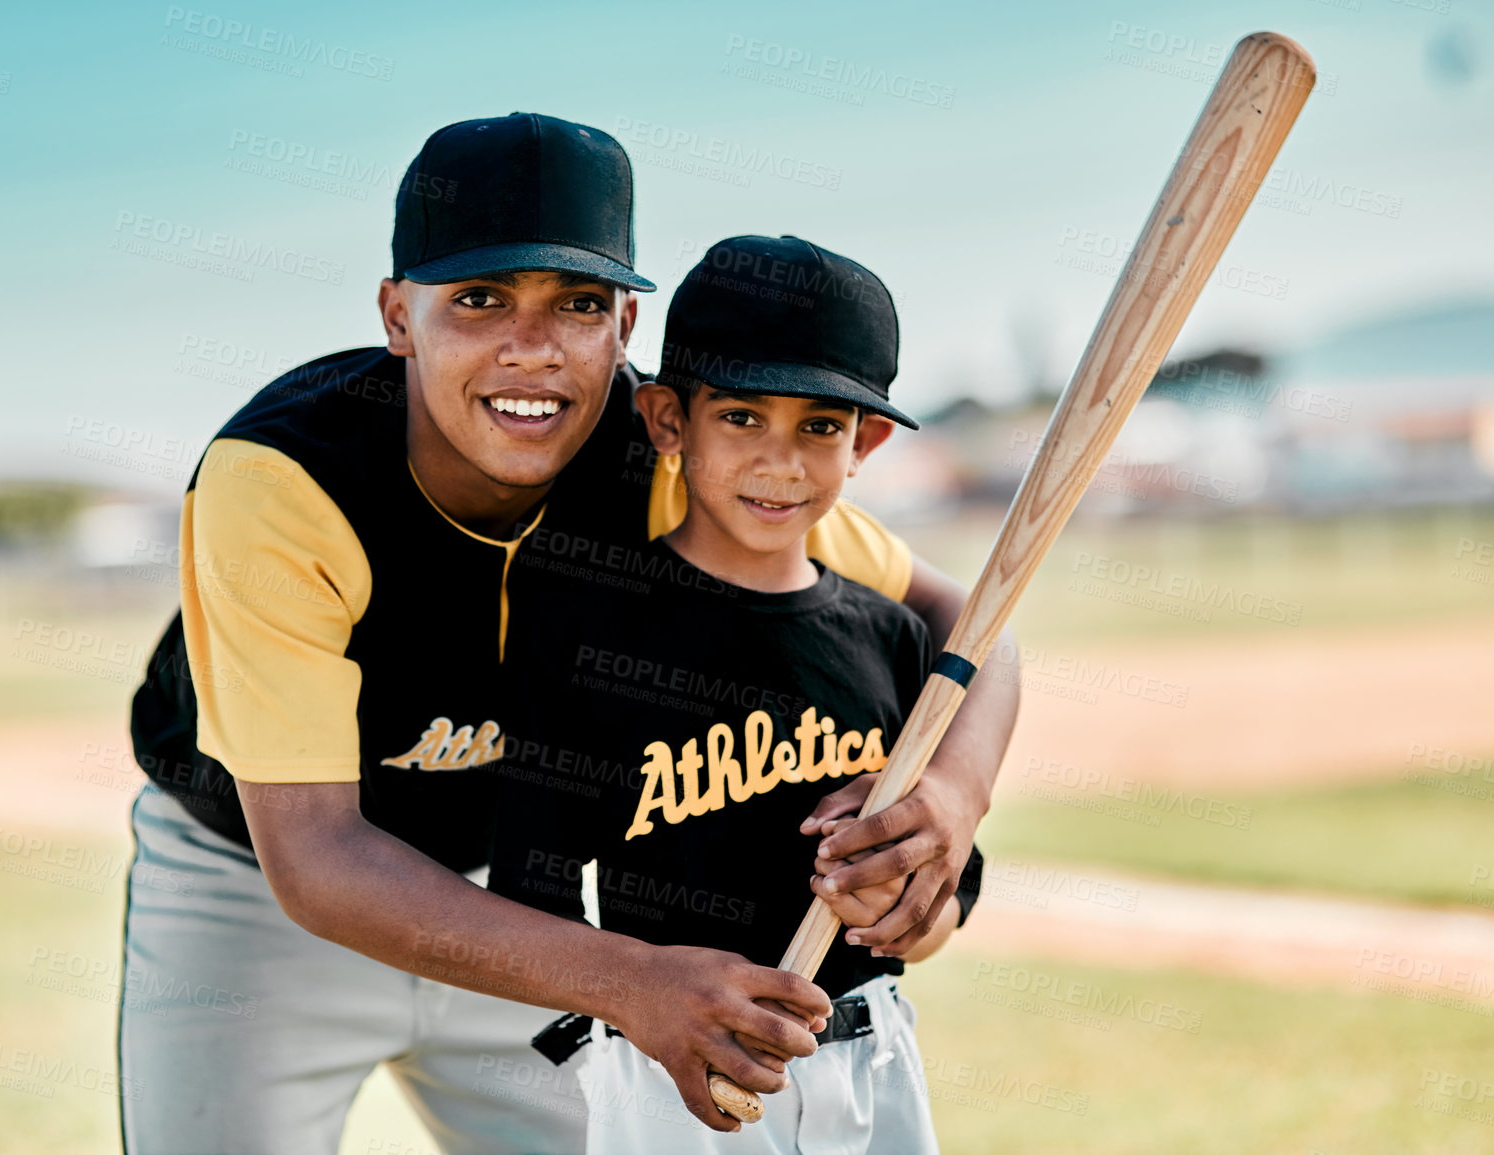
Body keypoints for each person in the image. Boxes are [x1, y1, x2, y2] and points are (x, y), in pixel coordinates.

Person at [123, 113, 1017, 1154]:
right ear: (397, 315)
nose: (533, 348)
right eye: (478, 299)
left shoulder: (675, 460)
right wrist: (630, 979)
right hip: (256, 902)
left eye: (580, 304)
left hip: (532, 907)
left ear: (625, 330)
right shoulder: (286, 480)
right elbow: (316, 857)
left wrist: (952, 795)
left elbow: (968, 625)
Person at [488, 235, 983, 1152]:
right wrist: (629, 995)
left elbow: (946, 900)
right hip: (675, 1070)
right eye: (744, 417)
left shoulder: (892, 639)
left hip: (870, 1059)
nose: (782, 461)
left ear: (865, 441)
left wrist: (905, 910)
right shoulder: (592, 629)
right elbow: (535, 892)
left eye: (821, 426)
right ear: (669, 420)